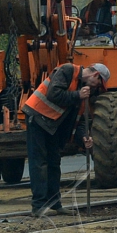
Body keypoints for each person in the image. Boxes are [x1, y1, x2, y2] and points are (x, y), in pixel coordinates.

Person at [23, 62, 110, 217]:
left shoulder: (84, 93)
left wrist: (84, 137)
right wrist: (77, 95)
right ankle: (38, 206)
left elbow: (80, 121)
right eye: (98, 84)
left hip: (53, 125)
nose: (96, 88)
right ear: (95, 75)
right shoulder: (68, 70)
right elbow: (53, 94)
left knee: (54, 163)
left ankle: (55, 204)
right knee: (39, 163)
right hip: (37, 118)